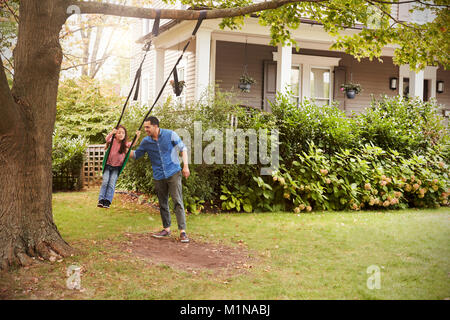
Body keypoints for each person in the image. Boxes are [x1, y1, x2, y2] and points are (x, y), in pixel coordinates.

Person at [131, 116, 191, 243]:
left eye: (148, 127)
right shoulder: (146, 141)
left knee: (177, 201)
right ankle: (166, 229)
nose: (146, 129)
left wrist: (185, 166)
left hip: (173, 172)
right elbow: (136, 155)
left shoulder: (170, 134)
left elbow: (183, 149)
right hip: (159, 175)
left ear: (155, 126)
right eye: (145, 127)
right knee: (163, 203)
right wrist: (122, 148)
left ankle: (183, 232)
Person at [98, 125, 137, 209]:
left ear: (125, 135)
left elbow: (133, 144)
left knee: (111, 183)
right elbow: (107, 139)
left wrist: (137, 136)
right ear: (116, 134)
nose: (121, 134)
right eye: (119, 132)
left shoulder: (125, 144)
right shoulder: (113, 141)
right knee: (105, 182)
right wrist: (112, 132)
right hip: (108, 165)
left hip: (116, 168)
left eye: (123, 133)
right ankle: (101, 200)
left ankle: (107, 201)